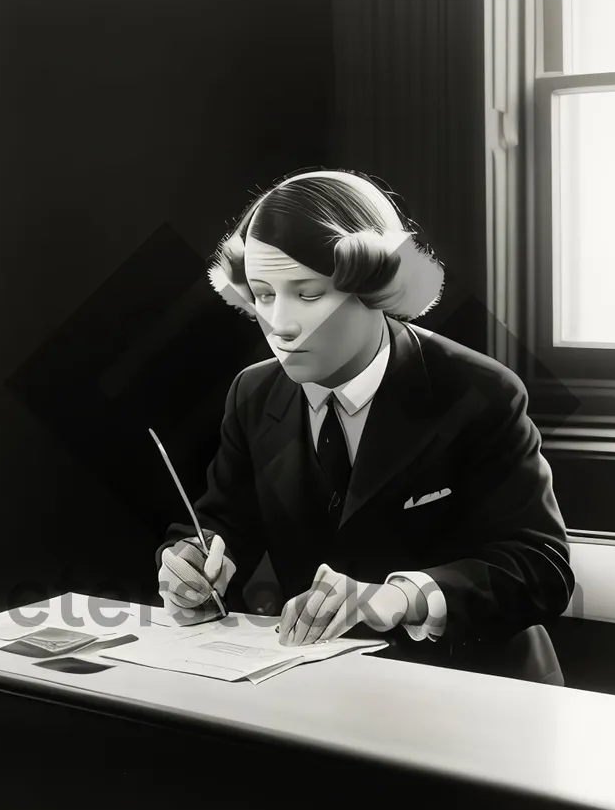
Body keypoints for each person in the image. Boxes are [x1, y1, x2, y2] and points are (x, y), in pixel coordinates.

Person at [156, 169, 573, 673]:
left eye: (308, 294)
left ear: (376, 288)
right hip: (316, 687)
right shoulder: (253, 392)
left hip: (475, 691)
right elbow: (221, 524)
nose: (280, 325)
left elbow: (540, 570)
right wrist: (191, 565)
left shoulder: (482, 393)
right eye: (264, 295)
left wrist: (395, 599)